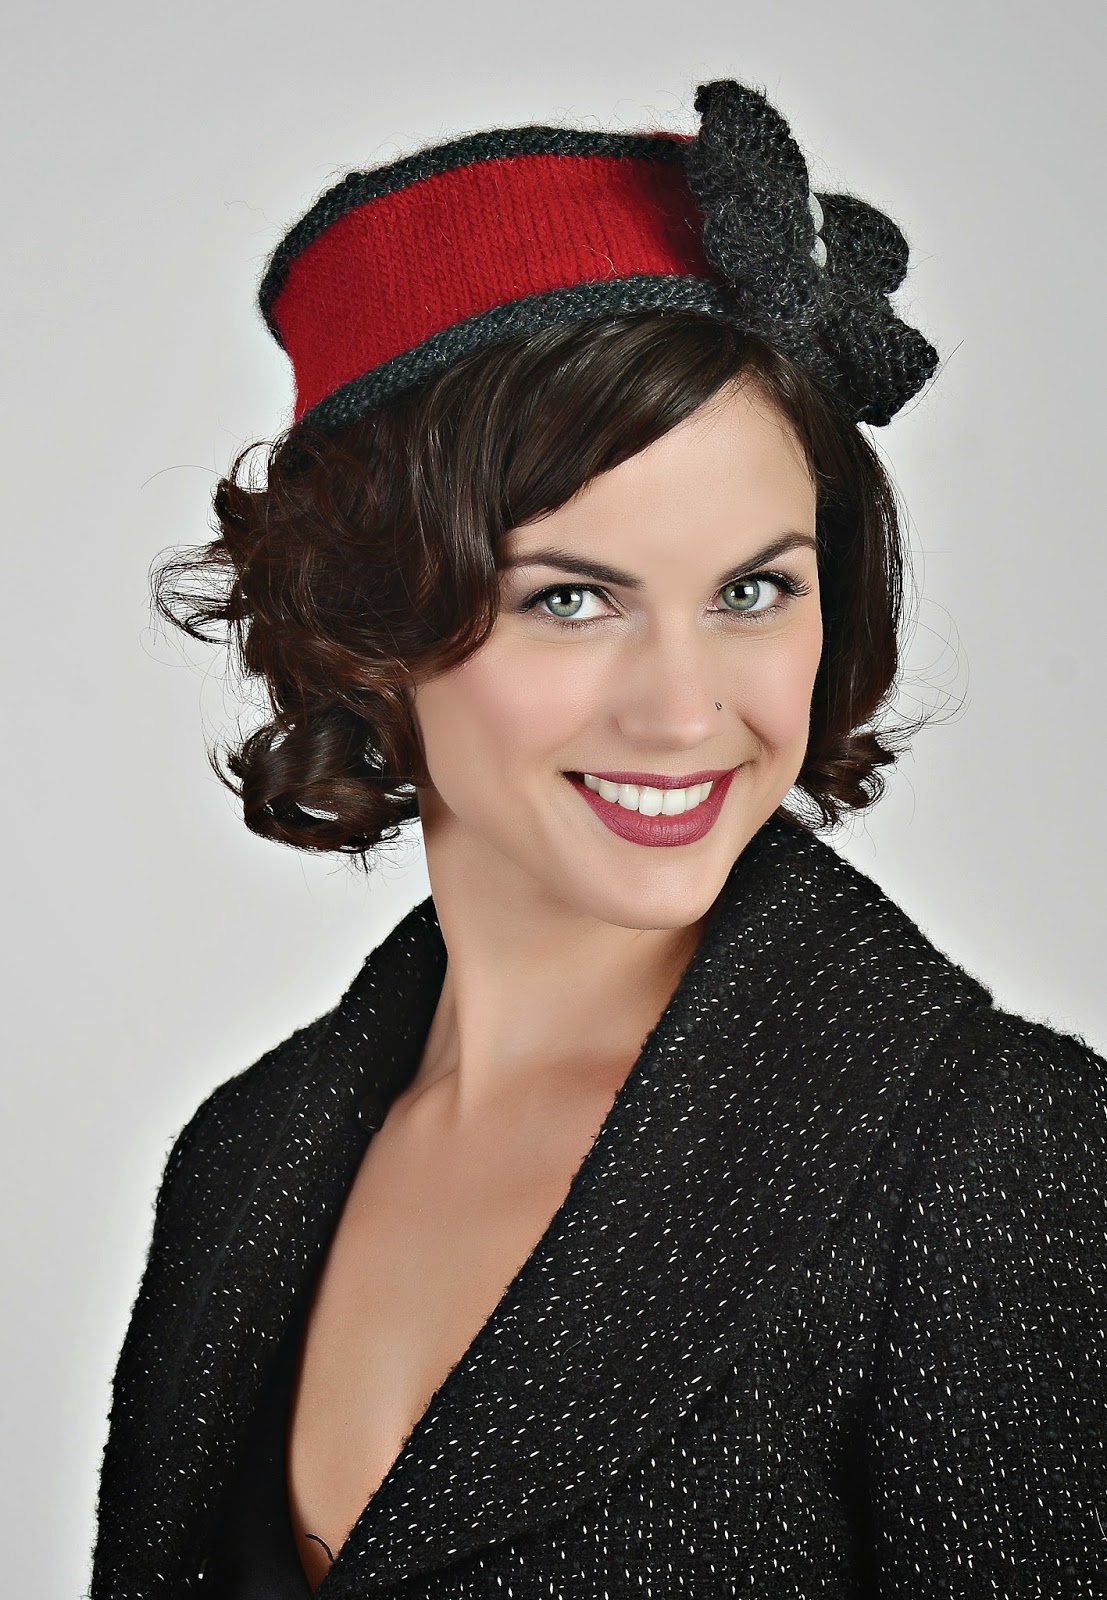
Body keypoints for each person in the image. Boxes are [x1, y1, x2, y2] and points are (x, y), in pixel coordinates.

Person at [89, 79, 1107, 1599]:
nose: (687, 709)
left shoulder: (998, 1155)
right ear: (370, 626)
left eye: (754, 590)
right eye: (572, 598)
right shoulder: (244, 1158)